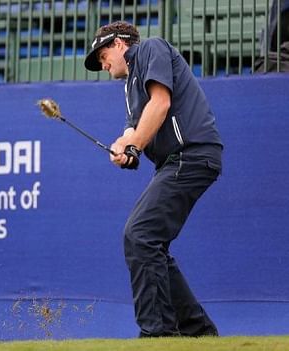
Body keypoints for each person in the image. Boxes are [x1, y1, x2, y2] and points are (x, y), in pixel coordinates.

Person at [84, 21, 223, 337]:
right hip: (178, 161)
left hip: (191, 154)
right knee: (147, 241)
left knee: (140, 235)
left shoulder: (151, 48)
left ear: (120, 44)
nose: (103, 65)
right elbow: (134, 129)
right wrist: (122, 147)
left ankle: (157, 333)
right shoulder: (130, 84)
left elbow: (160, 104)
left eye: (103, 55)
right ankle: (198, 332)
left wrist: (133, 146)